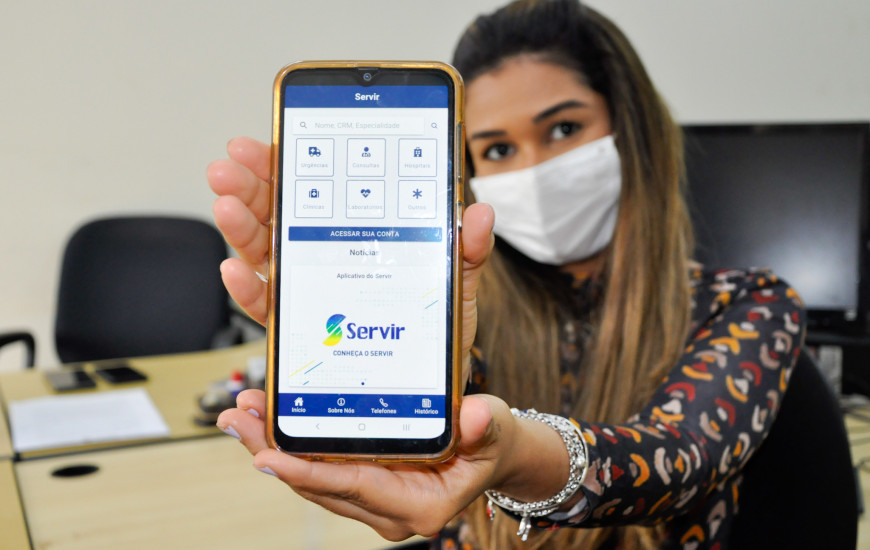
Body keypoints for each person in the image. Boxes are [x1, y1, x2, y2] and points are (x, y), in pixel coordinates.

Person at [207, 1, 805, 548]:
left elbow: (679, 460)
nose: (533, 169)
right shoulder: (459, 320)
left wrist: (516, 454)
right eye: (496, 149)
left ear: (633, 130)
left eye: (563, 129)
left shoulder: (747, 304)